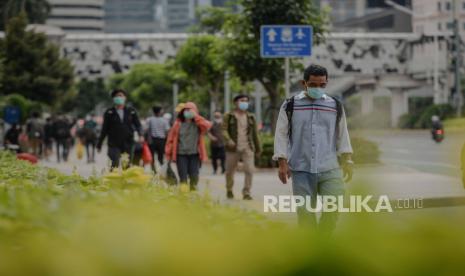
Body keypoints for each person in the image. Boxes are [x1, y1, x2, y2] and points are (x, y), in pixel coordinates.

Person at [273, 64, 353, 232]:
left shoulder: (335, 106)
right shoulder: (290, 106)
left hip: (330, 167)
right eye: (313, 85)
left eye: (322, 85)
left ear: (327, 83)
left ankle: (322, 243)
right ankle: (311, 247)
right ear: (304, 83)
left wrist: (348, 159)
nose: (318, 88)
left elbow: (342, 134)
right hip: (301, 169)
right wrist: (282, 162)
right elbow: (281, 134)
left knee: (333, 209)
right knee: (305, 214)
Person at [165, 102, 212, 191]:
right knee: (183, 178)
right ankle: (184, 198)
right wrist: (168, 154)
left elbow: (208, 125)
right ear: (182, 112)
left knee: (194, 177)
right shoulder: (177, 124)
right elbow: (170, 140)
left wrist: (196, 117)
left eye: (190, 110)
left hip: (194, 155)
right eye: (185, 110)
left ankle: (192, 195)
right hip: (181, 155)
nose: (187, 112)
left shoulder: (198, 124)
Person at [222, 95, 261, 200]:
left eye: (246, 101)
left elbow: (255, 134)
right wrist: (228, 139)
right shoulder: (229, 116)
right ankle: (229, 189)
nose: (244, 103)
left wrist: (258, 149)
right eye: (242, 100)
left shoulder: (251, 117)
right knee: (229, 171)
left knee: (249, 170)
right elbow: (224, 129)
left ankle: (246, 192)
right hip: (232, 148)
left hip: (247, 147)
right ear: (235, 103)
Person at [97, 89, 143, 169]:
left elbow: (138, 125)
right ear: (113, 99)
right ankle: (113, 181)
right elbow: (104, 129)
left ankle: (125, 181)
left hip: (128, 142)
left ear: (125, 98)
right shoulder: (109, 112)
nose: (119, 97)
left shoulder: (131, 111)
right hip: (113, 143)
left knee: (127, 165)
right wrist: (99, 143)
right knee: (114, 164)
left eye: (121, 95)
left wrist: (141, 135)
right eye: (116, 96)